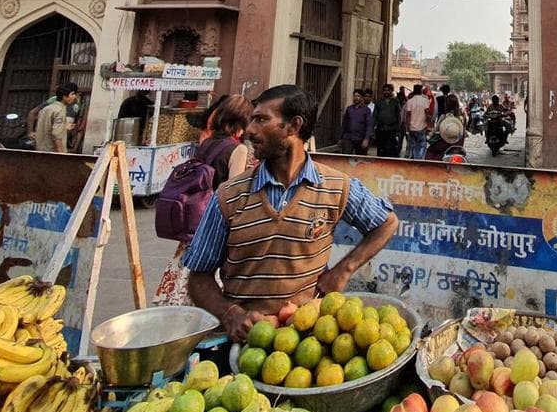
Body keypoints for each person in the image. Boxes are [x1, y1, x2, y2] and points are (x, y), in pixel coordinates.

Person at [184, 84, 398, 340]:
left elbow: (386, 223)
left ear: (294, 126)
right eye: (252, 119)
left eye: (261, 119)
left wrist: (343, 270)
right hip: (245, 344)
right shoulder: (228, 196)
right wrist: (230, 313)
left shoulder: (336, 186)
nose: (249, 130)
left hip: (310, 343)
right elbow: (198, 278)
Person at [154, 94, 252, 306]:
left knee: (186, 271)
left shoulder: (206, 143)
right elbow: (232, 191)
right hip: (215, 220)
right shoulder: (238, 149)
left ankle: (175, 304)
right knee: (210, 278)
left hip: (195, 218)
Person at [33, 82, 79, 153]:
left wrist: (64, 127)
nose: (74, 97)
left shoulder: (46, 109)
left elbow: (47, 128)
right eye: (72, 94)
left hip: (40, 151)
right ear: (64, 96)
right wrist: (60, 154)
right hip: (52, 153)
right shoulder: (60, 110)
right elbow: (56, 135)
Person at [427, 94, 466, 161]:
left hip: (445, 145)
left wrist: (431, 133)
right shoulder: (461, 117)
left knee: (430, 151)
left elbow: (435, 130)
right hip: (458, 145)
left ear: (446, 105)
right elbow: (463, 131)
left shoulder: (443, 117)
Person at [402, 83, 432, 160]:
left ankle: (414, 160)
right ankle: (418, 160)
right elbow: (427, 114)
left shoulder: (409, 101)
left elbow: (408, 116)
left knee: (413, 146)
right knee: (421, 146)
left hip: (412, 128)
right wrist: (429, 126)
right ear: (421, 91)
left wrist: (407, 128)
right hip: (422, 128)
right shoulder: (425, 101)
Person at [371, 84, 402, 158]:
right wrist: (372, 129)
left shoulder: (395, 102)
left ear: (391, 91)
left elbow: (398, 116)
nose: (386, 92)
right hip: (381, 129)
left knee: (390, 149)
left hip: (391, 129)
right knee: (381, 149)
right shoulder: (379, 102)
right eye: (385, 90)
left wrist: (398, 129)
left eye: (388, 90)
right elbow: (375, 116)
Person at [338, 90, 372, 155]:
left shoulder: (366, 110)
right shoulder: (349, 109)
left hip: (361, 138)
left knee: (361, 160)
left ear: (362, 98)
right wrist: (340, 138)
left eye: (358, 96)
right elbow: (344, 125)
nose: (356, 98)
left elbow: (369, 125)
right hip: (348, 137)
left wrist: (366, 139)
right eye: (354, 96)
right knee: (346, 157)